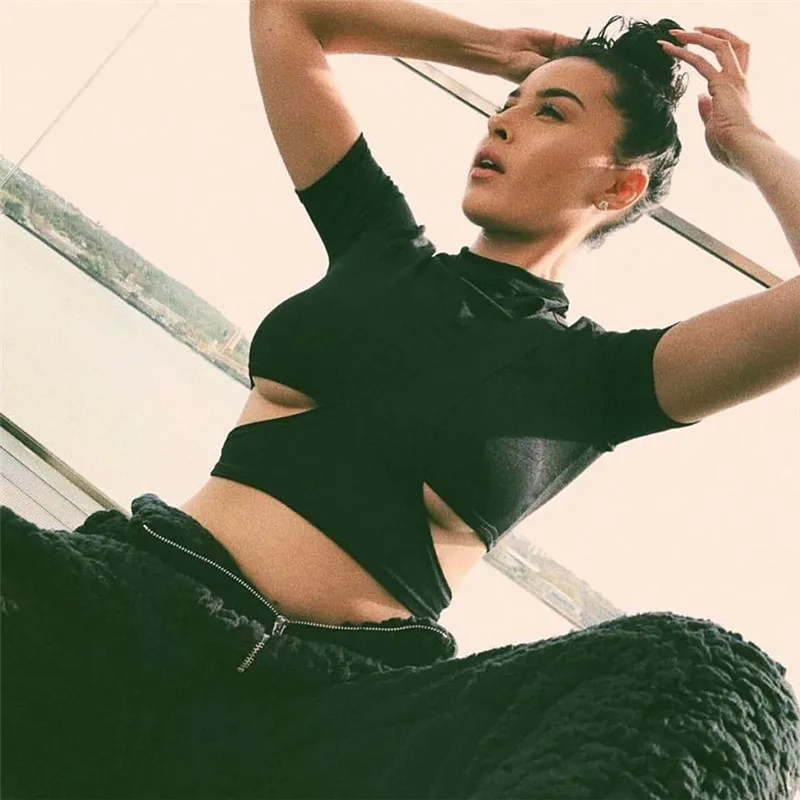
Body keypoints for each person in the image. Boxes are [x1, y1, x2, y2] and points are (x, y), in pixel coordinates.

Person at [2, 1, 799, 797]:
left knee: (716, 675)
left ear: (622, 184)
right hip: (127, 601)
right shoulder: (376, 243)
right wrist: (492, 48)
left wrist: (747, 139)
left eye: (550, 112)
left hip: (333, 714)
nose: (501, 123)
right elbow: (288, 13)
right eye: (506, 106)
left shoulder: (602, 379)